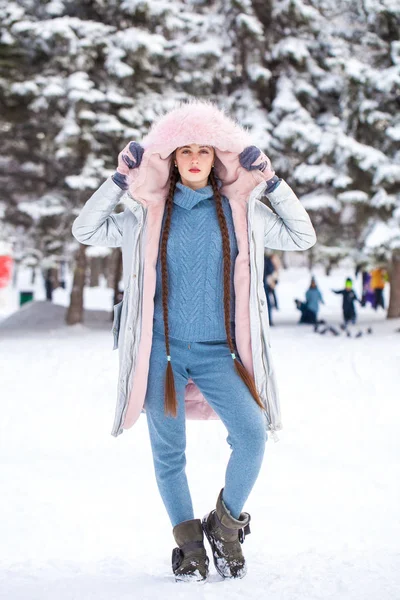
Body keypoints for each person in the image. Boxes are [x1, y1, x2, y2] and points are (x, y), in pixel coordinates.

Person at [71, 100, 316, 583]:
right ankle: (187, 544)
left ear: (217, 158)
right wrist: (118, 181)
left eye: (205, 150)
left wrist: (270, 182)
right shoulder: (145, 215)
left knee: (251, 434)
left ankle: (224, 526)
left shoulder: (242, 213)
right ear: (173, 160)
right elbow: (86, 229)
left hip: (219, 354)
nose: (196, 159)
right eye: (186, 151)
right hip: (161, 355)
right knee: (169, 453)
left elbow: (302, 236)